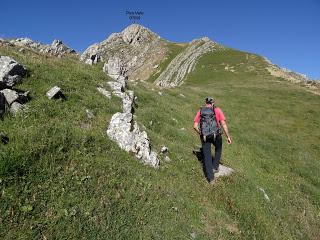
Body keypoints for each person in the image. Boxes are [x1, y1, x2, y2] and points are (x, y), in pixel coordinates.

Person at [193, 97, 232, 184]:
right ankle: (215, 167)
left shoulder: (201, 111)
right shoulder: (217, 110)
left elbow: (195, 126)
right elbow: (223, 124)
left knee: (207, 155)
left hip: (205, 136)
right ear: (213, 103)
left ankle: (211, 179)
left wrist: (201, 133)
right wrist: (228, 136)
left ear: (205, 103)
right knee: (218, 148)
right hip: (216, 135)